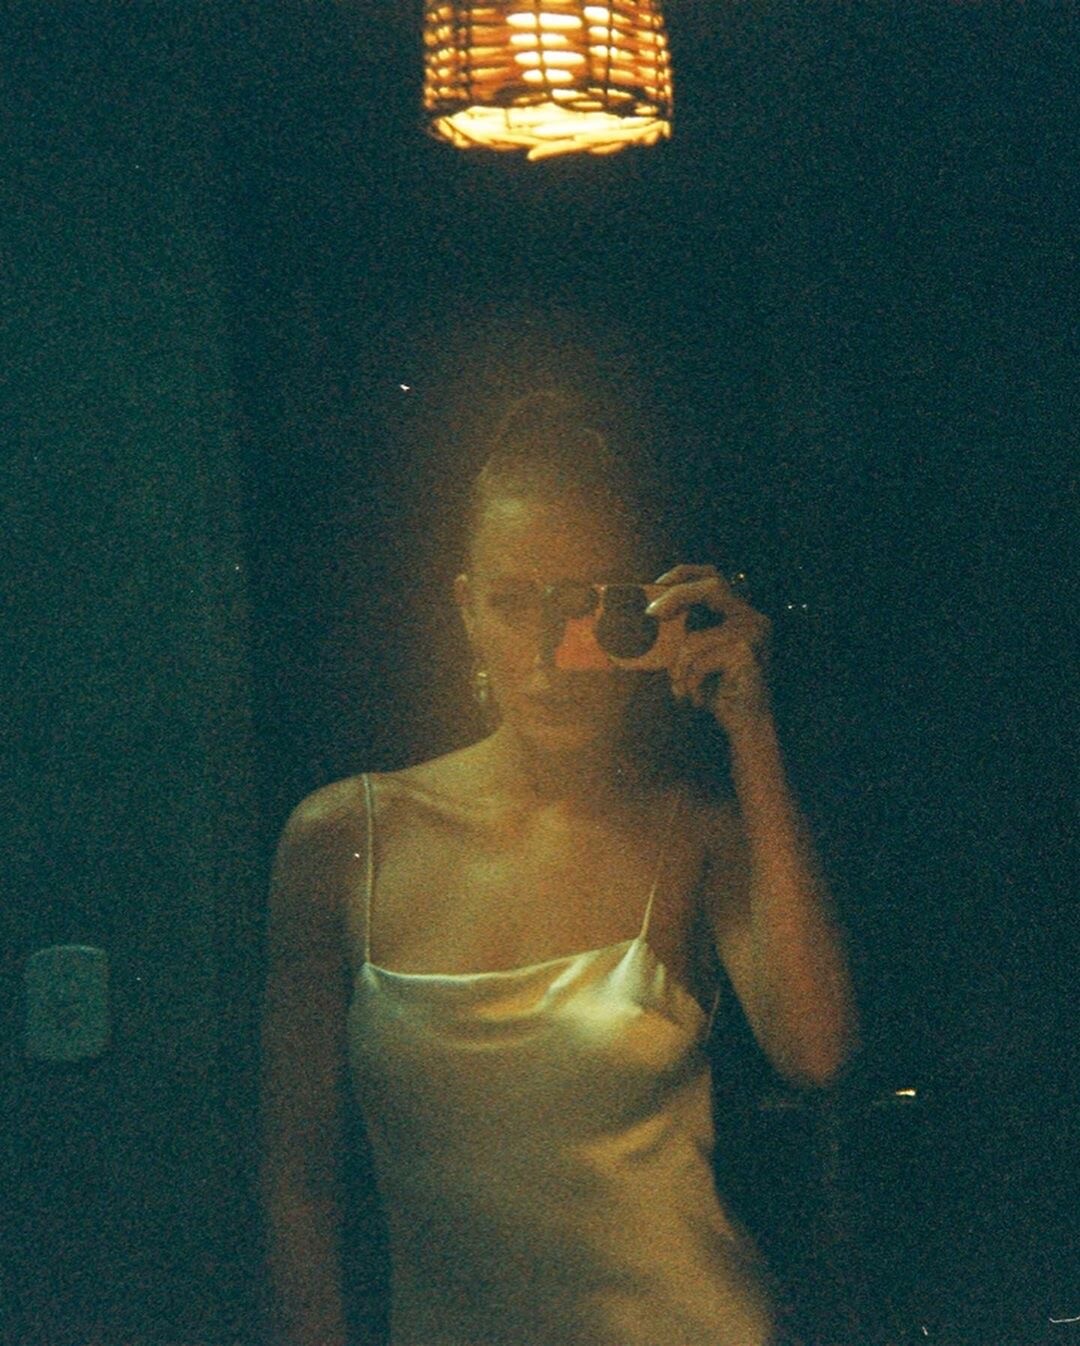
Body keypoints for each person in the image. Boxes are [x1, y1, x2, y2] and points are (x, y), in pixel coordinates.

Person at [259, 391, 858, 1346]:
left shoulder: (691, 834)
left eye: (585, 603)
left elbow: (817, 1052)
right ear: (466, 610)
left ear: (645, 610)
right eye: (513, 602)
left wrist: (751, 726)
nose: (548, 653)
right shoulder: (344, 839)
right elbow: (298, 1180)